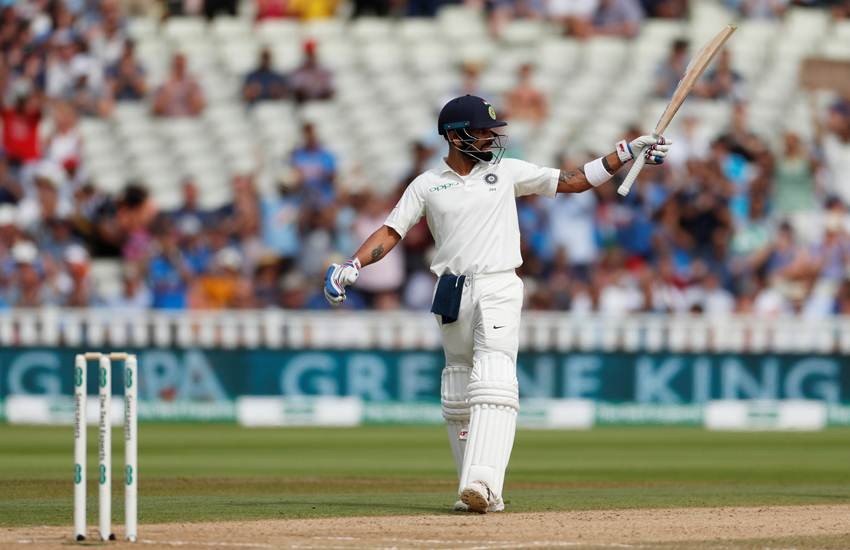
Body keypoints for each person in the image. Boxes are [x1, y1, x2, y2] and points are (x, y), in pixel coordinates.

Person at [323, 94, 670, 513]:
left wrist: (625, 153)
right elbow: (392, 230)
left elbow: (574, 180)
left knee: (494, 376)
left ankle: (483, 482)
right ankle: (478, 493)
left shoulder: (506, 172)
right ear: (455, 136)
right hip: (450, 290)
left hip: (498, 284)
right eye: (482, 131)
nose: (491, 138)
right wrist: (353, 264)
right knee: (457, 389)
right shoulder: (427, 184)